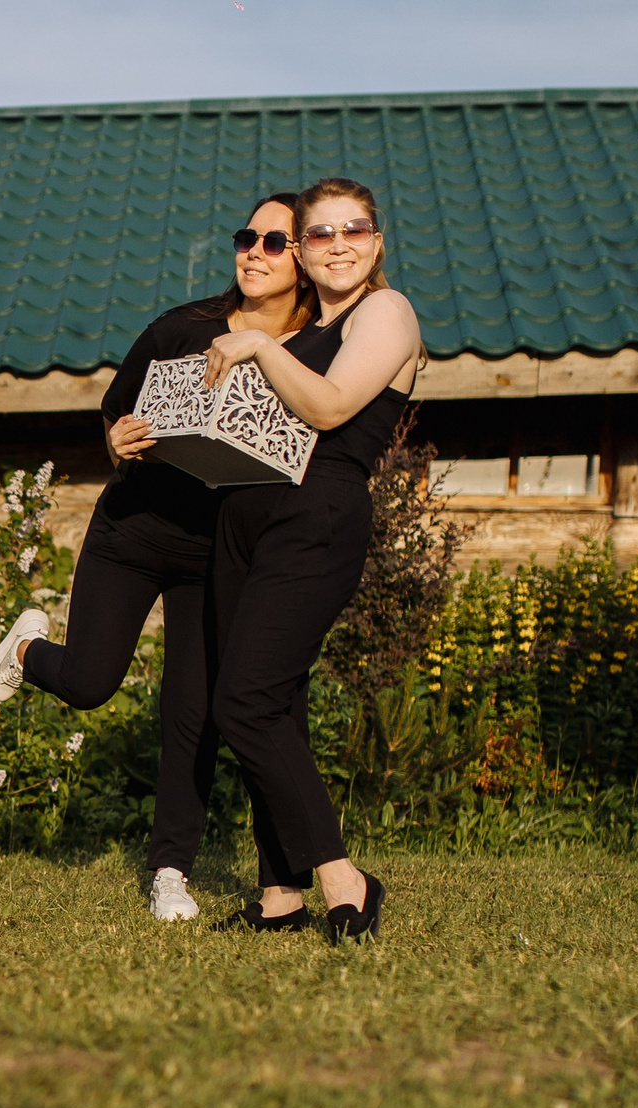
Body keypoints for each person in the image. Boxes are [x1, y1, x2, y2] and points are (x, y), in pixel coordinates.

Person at [0, 193, 314, 924]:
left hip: (214, 555)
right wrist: (116, 440)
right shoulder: (181, 327)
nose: (253, 253)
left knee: (192, 715)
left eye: (273, 242)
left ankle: (170, 870)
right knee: (90, 683)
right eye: (247, 238)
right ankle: (29, 649)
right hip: (132, 531)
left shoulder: (312, 349)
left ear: (304, 259)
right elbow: (116, 408)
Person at [200, 176, 419, 942]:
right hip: (246, 522)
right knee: (275, 704)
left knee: (244, 704)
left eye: (353, 229)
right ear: (303, 249)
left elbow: (329, 407)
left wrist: (259, 345)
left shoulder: (385, 312)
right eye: (320, 233)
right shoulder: (296, 337)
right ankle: (279, 895)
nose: (338, 245)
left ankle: (342, 877)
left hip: (315, 516)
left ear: (376, 242)